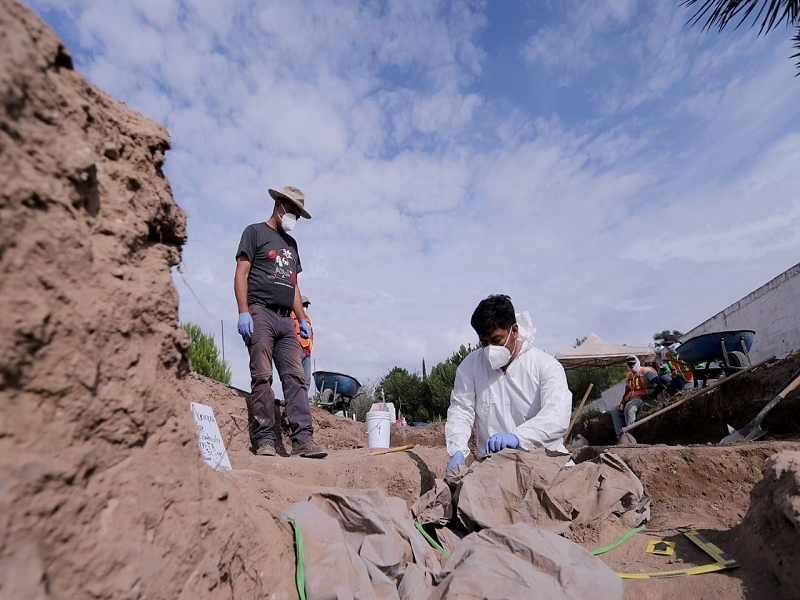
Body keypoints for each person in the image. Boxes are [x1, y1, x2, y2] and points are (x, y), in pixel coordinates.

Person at [234, 185, 328, 459]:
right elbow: (241, 273)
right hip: (260, 313)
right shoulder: (254, 232)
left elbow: (293, 285)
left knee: (296, 377)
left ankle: (303, 440)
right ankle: (264, 439)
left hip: (287, 321)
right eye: (291, 211)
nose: (294, 218)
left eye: (298, 214)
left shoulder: (292, 245)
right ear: (278, 205)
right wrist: (243, 311)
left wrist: (302, 319)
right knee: (262, 376)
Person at [445, 294, 573, 473]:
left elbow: (556, 417)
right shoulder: (470, 366)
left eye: (496, 340)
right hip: (494, 465)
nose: (490, 349)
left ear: (514, 330)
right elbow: (461, 410)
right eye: (484, 343)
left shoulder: (545, 366)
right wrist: (457, 449)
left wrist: (518, 438)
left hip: (544, 462)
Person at [611, 355, 661, 440]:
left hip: (644, 399)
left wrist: (652, 395)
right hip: (633, 399)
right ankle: (620, 438)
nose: (631, 366)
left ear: (637, 362)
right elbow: (627, 391)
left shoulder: (646, 371)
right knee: (615, 410)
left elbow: (660, 382)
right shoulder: (629, 376)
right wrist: (622, 403)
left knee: (629, 408)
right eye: (629, 364)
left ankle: (630, 437)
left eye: (633, 363)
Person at [292, 294, 314, 399]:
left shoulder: (308, 319)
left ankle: (303, 400)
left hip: (307, 351)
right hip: (297, 348)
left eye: (306, 305)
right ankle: (293, 399)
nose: (305, 307)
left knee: (307, 379)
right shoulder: (291, 315)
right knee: (296, 376)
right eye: (303, 305)